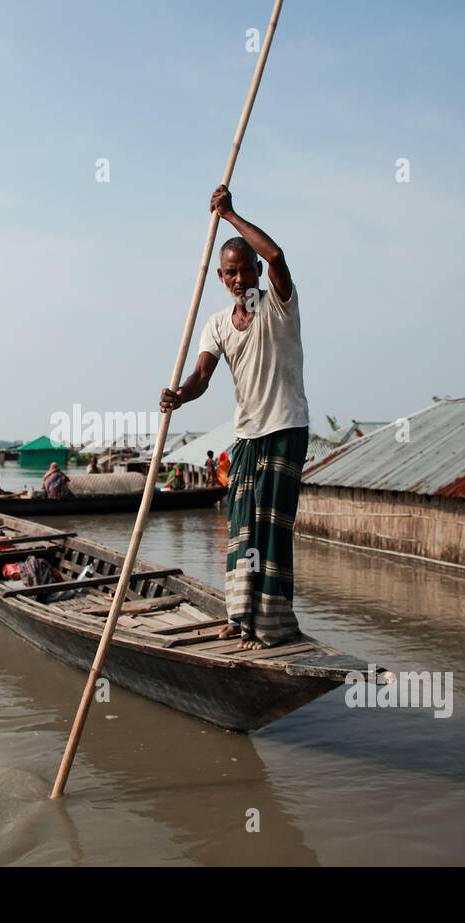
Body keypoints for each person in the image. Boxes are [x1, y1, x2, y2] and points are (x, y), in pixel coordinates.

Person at [160, 185, 309, 650]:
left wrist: (230, 215)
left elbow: (279, 255)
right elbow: (201, 377)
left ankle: (273, 625)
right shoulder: (219, 323)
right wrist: (178, 396)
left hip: (285, 427)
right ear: (221, 278)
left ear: (255, 272)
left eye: (246, 269)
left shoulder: (278, 305)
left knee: (271, 526)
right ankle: (240, 617)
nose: (239, 278)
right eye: (230, 272)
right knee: (241, 527)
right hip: (247, 436)